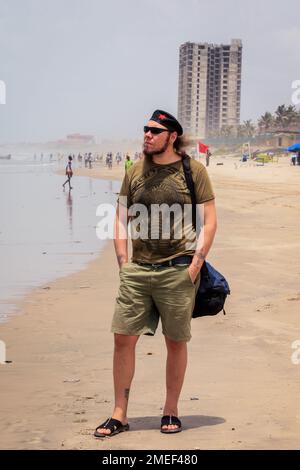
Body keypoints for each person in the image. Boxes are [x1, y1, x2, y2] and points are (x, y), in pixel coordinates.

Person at [94, 109, 217, 438]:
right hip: (137, 271)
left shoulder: (194, 171)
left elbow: (210, 220)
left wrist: (196, 264)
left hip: (178, 270)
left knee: (175, 342)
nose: (147, 135)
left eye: (154, 130)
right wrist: (123, 260)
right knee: (123, 339)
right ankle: (119, 414)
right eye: (145, 130)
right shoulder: (134, 172)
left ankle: (171, 410)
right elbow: (120, 218)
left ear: (172, 136)